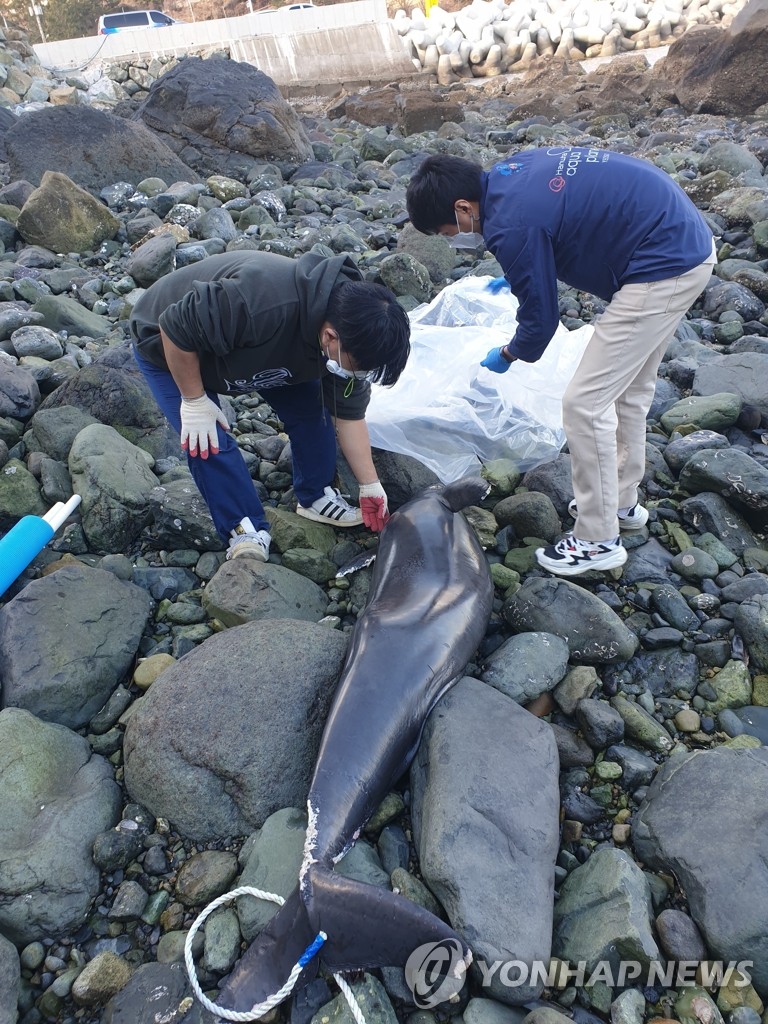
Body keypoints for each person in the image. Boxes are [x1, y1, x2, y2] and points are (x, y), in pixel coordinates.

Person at [405, 148, 716, 577]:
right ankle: (620, 502)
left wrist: (510, 353)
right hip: (685, 244)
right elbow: (558, 221)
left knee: (584, 404)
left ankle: (597, 539)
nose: (451, 240)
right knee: (627, 392)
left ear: (462, 207)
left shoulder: (510, 223)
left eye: (445, 231)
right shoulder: (511, 173)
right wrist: (521, 269)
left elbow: (541, 321)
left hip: (663, 266)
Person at [131, 249, 410, 562]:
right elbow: (176, 326)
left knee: (312, 412)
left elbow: (349, 417)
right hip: (171, 344)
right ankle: (243, 527)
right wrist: (194, 400)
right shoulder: (261, 302)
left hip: (267, 354)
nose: (357, 375)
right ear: (330, 337)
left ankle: (314, 495)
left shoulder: (354, 340)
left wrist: (370, 485)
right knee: (206, 438)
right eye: (358, 368)